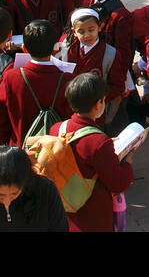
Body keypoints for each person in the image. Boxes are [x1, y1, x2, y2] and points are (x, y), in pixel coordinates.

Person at [53, 73, 135, 232]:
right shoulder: (98, 141)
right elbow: (117, 182)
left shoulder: (57, 129)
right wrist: (127, 164)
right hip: (92, 213)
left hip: (64, 208)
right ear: (98, 104)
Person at [0, 19, 72, 151]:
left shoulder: (10, 78)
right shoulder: (68, 79)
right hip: (57, 154)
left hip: (20, 151)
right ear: (55, 48)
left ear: (24, 48)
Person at [56, 8, 128, 131]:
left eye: (91, 30)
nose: (87, 35)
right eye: (81, 31)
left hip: (95, 112)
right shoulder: (67, 49)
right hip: (69, 110)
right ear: (74, 32)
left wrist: (97, 98)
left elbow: (118, 86)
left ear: (99, 28)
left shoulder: (110, 54)